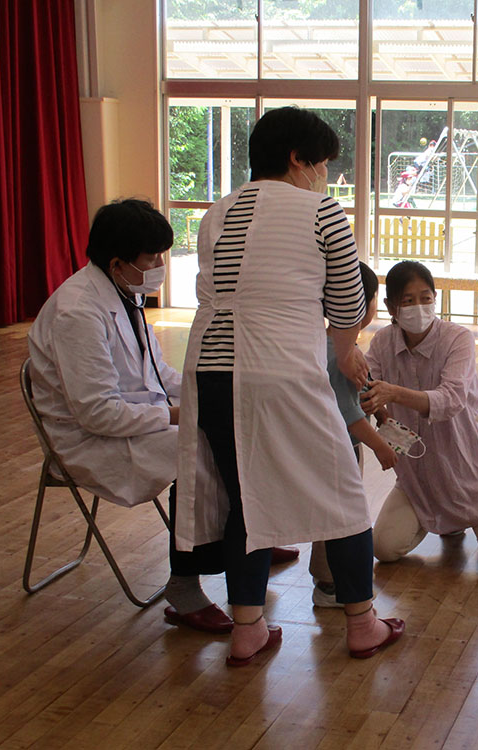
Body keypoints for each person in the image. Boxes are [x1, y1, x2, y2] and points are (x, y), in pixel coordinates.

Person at [175, 106, 404, 666]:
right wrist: (346, 349)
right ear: (298, 159)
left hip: (209, 369)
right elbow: (349, 302)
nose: (325, 173)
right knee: (343, 495)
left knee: (243, 498)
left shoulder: (217, 210)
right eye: (321, 161)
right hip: (280, 370)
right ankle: (362, 624)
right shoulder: (321, 209)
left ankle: (247, 630)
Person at [28, 198, 268, 635]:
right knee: (204, 446)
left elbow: (156, 374)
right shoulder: (78, 311)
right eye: (152, 257)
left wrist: (209, 389)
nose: (161, 264)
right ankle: (187, 583)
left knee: (226, 426)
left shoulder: (123, 293)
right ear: (118, 262)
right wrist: (178, 413)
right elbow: (97, 412)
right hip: (91, 440)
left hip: (131, 419)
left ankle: (245, 533)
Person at [360, 261, 478, 573]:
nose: (418, 307)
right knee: (384, 548)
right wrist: (381, 414)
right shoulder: (382, 342)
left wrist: (392, 393)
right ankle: (445, 521)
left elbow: (452, 399)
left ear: (436, 298)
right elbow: (365, 386)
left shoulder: (457, 338)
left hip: (471, 473)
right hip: (418, 479)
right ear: (391, 307)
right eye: (407, 301)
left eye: (426, 297)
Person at [311, 262, 398, 608]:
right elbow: (347, 413)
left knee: (333, 514)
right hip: (336, 451)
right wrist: (382, 447)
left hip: (333, 448)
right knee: (340, 516)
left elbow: (363, 392)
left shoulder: (332, 344)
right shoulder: (339, 354)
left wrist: (383, 416)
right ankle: (329, 585)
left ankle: (329, 580)